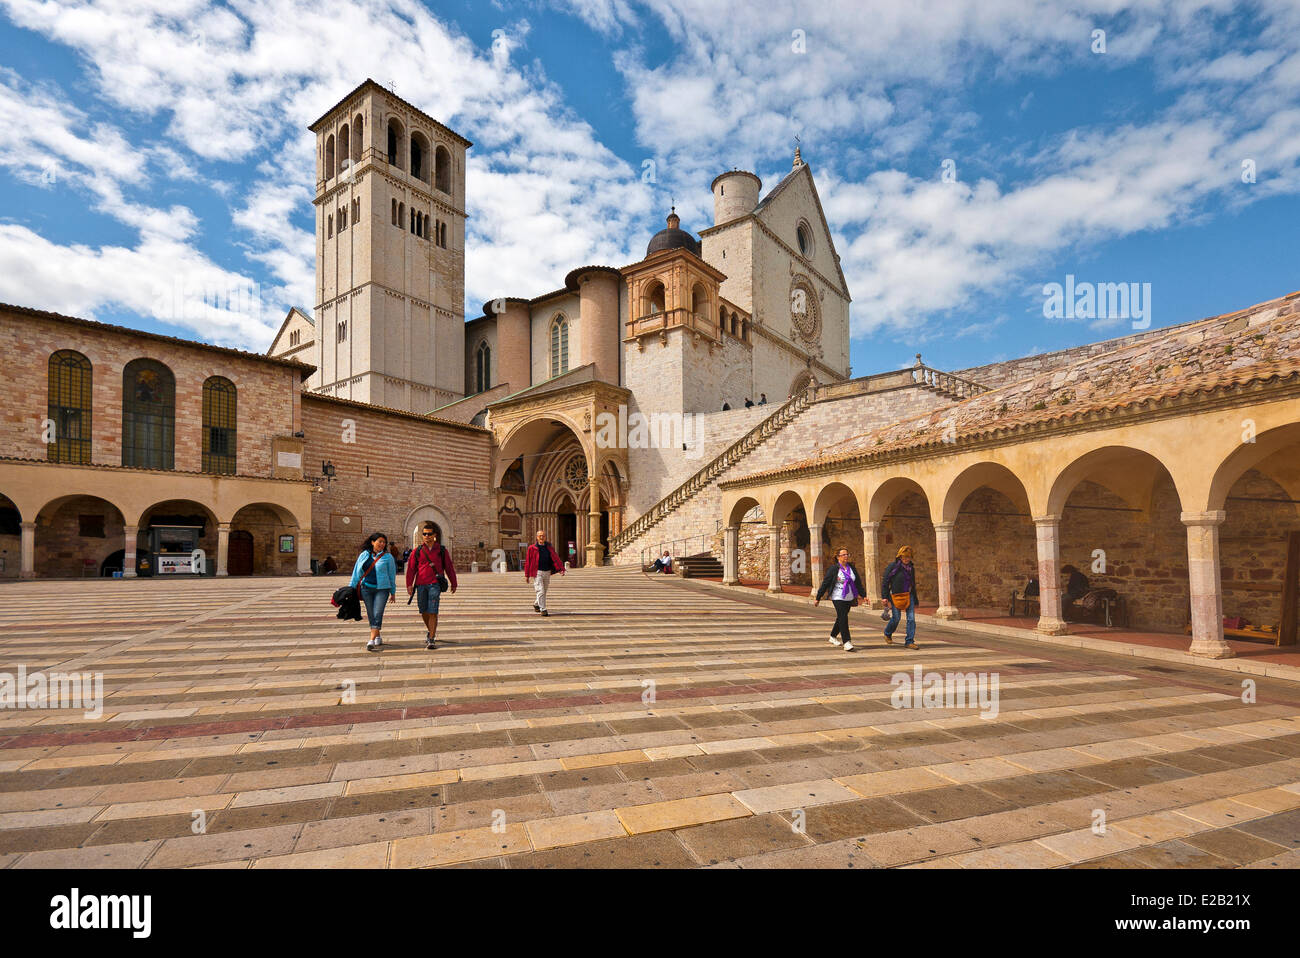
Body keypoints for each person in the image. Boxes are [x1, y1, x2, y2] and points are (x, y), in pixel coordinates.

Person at [406, 521, 457, 649]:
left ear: (434, 535)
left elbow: (449, 567)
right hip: (421, 585)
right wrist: (409, 584)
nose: (427, 536)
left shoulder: (441, 550)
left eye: (429, 534)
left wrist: (454, 582)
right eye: (424, 534)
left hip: (435, 584)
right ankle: (431, 631)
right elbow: (411, 569)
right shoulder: (417, 551)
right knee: (423, 610)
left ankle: (432, 638)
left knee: (433, 611)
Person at [350, 532, 396, 652]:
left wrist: (393, 592)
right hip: (366, 589)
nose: (382, 544)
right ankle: (378, 636)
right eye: (379, 541)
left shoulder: (388, 557)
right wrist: (351, 588)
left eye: (383, 542)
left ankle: (371, 640)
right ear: (372, 542)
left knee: (377, 613)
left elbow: (392, 575)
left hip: (382, 589)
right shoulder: (364, 555)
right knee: (371, 614)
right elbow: (356, 572)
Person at [814, 548, 865, 652]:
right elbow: (825, 583)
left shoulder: (851, 568)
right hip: (838, 596)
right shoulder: (834, 569)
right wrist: (818, 597)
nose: (846, 556)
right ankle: (847, 642)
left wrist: (864, 595)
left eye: (847, 554)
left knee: (842, 617)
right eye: (843, 555)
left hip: (849, 597)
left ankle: (832, 636)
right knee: (843, 618)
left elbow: (858, 583)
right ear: (838, 557)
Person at [880, 545, 921, 649]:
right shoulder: (893, 567)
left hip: (909, 595)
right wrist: (884, 597)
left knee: (911, 619)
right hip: (895, 595)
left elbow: (913, 584)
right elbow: (885, 582)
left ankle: (909, 641)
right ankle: (888, 633)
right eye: (904, 557)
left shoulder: (911, 568)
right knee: (896, 618)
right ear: (900, 556)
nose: (906, 559)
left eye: (908, 557)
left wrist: (915, 599)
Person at [524, 528, 565, 616]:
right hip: (537, 572)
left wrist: (561, 569)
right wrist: (527, 575)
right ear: (537, 537)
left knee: (544, 591)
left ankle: (536, 604)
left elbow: (556, 558)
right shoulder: (532, 548)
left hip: (547, 572)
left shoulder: (549, 547)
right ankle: (543, 609)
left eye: (543, 536)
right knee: (540, 591)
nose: (541, 537)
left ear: (545, 537)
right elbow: (528, 561)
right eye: (540, 536)